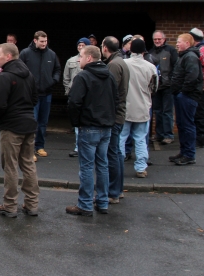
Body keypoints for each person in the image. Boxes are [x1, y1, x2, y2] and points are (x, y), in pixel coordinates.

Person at [66, 45, 118, 216]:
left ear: (89, 58)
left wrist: (76, 123)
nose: (78, 59)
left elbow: (74, 102)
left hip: (89, 127)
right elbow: (116, 99)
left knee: (87, 167)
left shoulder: (83, 77)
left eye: (81, 56)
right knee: (102, 165)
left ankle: (85, 204)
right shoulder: (109, 76)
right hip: (106, 127)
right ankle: (102, 202)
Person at [0, 42, 39, 218]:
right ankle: (32, 204)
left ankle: (10, 205)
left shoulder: (5, 77)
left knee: (10, 166)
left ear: (8, 56)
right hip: (29, 123)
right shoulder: (29, 75)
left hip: (11, 126)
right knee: (28, 164)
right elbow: (34, 99)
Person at [19, 30, 61, 158]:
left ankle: (40, 146)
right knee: (33, 122)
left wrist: (53, 80)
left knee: (43, 122)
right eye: (42, 41)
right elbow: (19, 69)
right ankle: (29, 150)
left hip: (47, 94)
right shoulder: (25, 53)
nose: (44, 43)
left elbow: (57, 69)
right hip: (31, 95)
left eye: (46, 41)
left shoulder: (51, 54)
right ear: (35, 40)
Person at [122, 39, 159, 178]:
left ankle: (118, 166)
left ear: (130, 50)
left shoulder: (124, 64)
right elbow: (154, 88)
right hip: (143, 107)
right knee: (141, 139)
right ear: (144, 51)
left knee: (121, 138)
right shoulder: (151, 67)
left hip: (125, 107)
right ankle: (141, 167)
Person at [102, 36, 128, 204]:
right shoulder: (121, 61)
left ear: (105, 48)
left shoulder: (113, 65)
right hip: (119, 113)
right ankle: (118, 189)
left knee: (112, 153)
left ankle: (113, 192)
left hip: (114, 115)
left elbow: (109, 91)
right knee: (117, 152)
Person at [170, 33, 203, 166]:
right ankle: (184, 152)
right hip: (183, 95)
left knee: (187, 125)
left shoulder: (190, 57)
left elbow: (192, 77)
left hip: (187, 96)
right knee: (182, 125)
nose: (177, 44)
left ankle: (189, 154)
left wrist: (182, 92)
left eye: (179, 42)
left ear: (187, 43)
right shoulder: (184, 56)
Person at [63, 38, 91, 157]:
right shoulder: (71, 61)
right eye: (79, 45)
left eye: (83, 45)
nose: (80, 47)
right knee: (77, 123)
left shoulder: (92, 61)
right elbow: (66, 78)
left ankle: (86, 147)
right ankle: (78, 147)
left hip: (87, 96)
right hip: (74, 94)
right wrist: (68, 90)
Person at [150, 31, 177, 144]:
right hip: (156, 87)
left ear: (164, 39)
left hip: (168, 86)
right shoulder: (150, 52)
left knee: (167, 111)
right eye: (155, 39)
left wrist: (172, 81)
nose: (157, 41)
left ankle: (168, 135)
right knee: (157, 111)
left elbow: (176, 66)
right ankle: (159, 134)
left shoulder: (170, 50)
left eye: (159, 39)